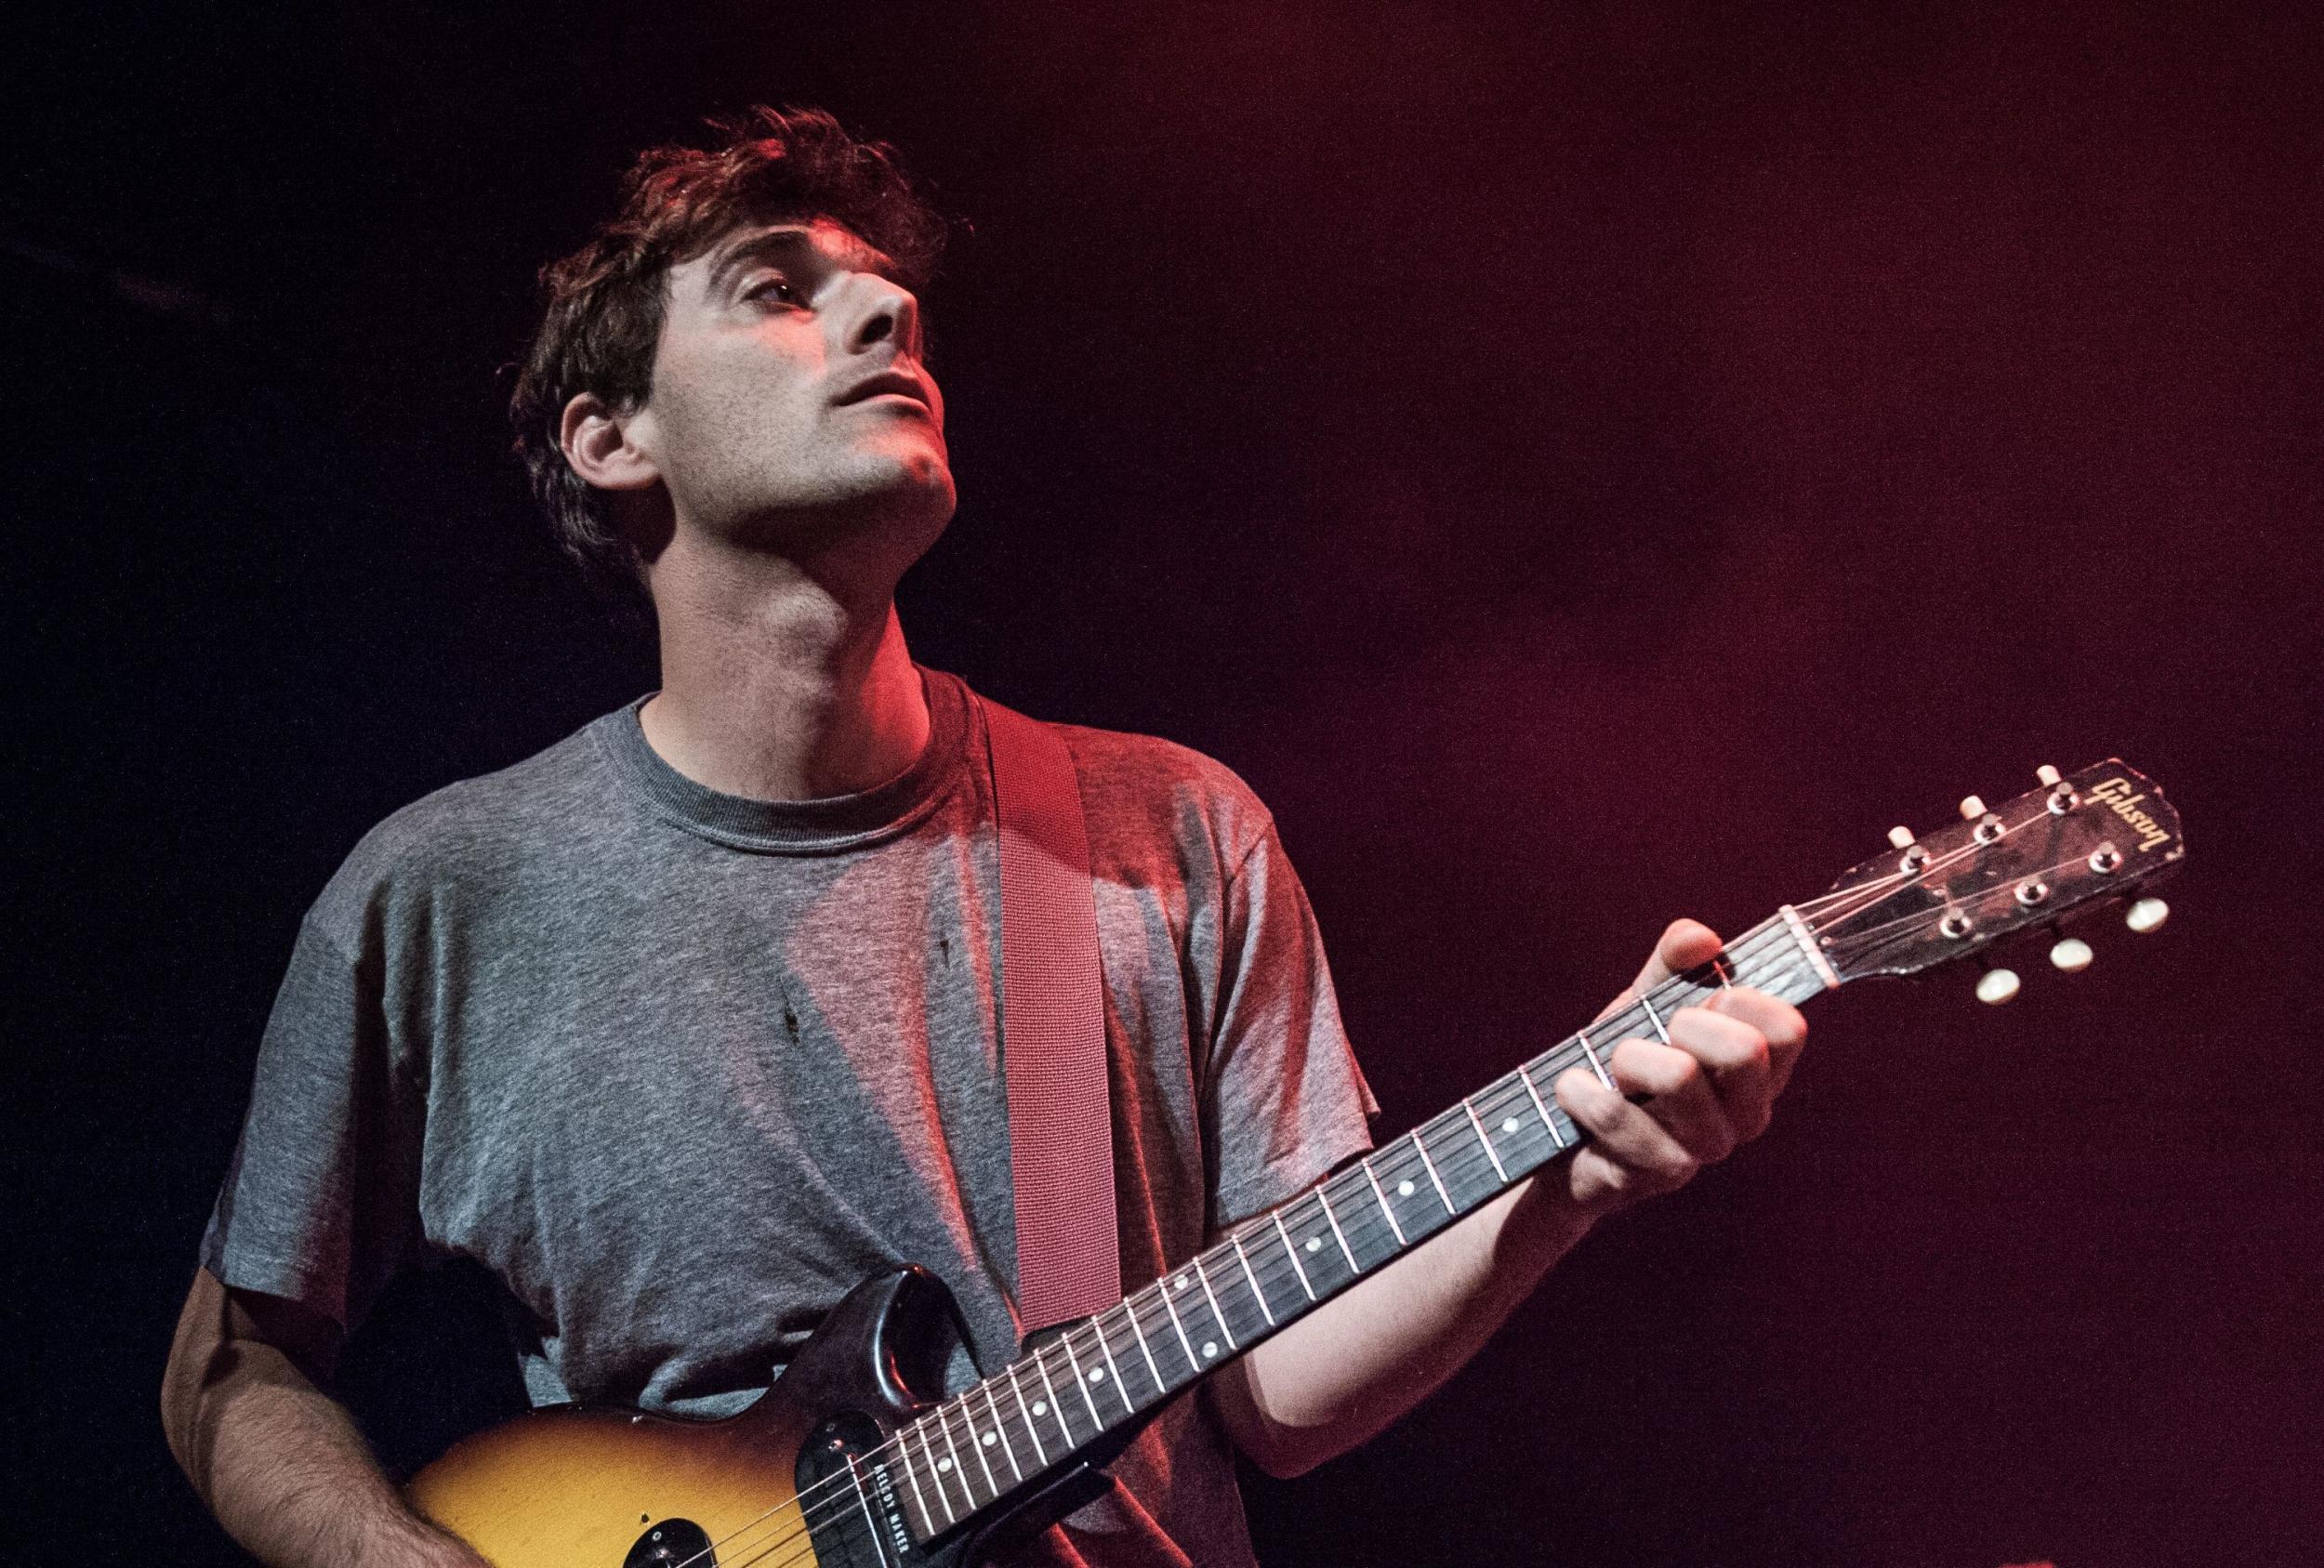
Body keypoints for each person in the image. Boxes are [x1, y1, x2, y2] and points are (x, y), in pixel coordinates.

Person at [160, 107, 1808, 1568]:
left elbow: (1281, 1397)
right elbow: (230, 1366)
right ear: (613, 439)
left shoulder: (1169, 830)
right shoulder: (444, 894)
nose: (886, 312)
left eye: (894, 296)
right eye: (780, 291)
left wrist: (1560, 1180)